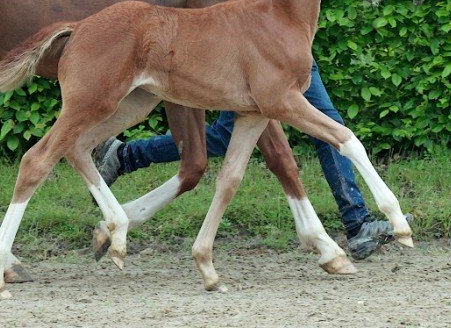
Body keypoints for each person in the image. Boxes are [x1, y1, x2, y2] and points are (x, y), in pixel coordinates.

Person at [94, 60, 411, 260]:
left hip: (292, 51)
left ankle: (357, 224)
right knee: (227, 134)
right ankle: (125, 156)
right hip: (256, 55)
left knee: (329, 126)